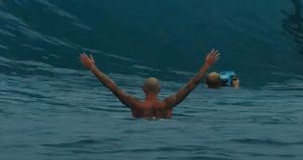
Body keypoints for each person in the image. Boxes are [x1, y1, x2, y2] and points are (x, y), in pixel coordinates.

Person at [79, 49, 220, 118]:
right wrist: (207, 65)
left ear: (143, 89)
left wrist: (93, 68)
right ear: (159, 89)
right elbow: (191, 85)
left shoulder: (136, 105)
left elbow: (112, 86)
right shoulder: (168, 104)